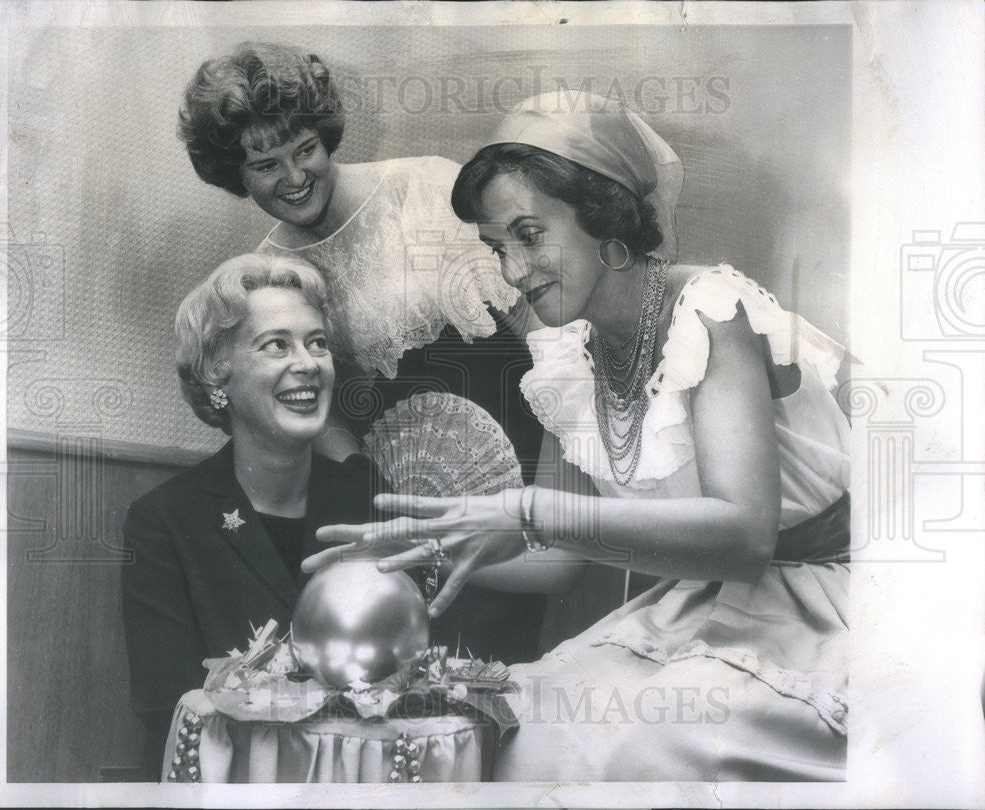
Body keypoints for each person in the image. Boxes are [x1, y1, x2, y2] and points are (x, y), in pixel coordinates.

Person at [304, 91, 851, 781]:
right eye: (497, 249)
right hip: (701, 607)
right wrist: (428, 548)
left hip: (824, 607)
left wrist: (527, 510)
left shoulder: (710, 310)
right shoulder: (569, 361)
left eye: (530, 236)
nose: (512, 272)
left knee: (632, 751)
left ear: (602, 213)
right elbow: (558, 562)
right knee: (515, 718)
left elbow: (745, 537)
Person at [178, 42, 552, 664]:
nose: (294, 178)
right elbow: (312, 400)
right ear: (235, 176)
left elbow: (536, 315)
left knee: (488, 669)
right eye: (266, 165)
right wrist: (360, 479)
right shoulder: (275, 268)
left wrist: (572, 430)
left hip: (516, 454)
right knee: (399, 672)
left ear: (326, 138)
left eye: (305, 150)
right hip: (398, 485)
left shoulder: (426, 188)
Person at [121, 254, 380, 778]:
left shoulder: (366, 497)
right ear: (219, 375)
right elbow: (169, 707)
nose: (307, 362)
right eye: (276, 345)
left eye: (318, 343)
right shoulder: (165, 520)